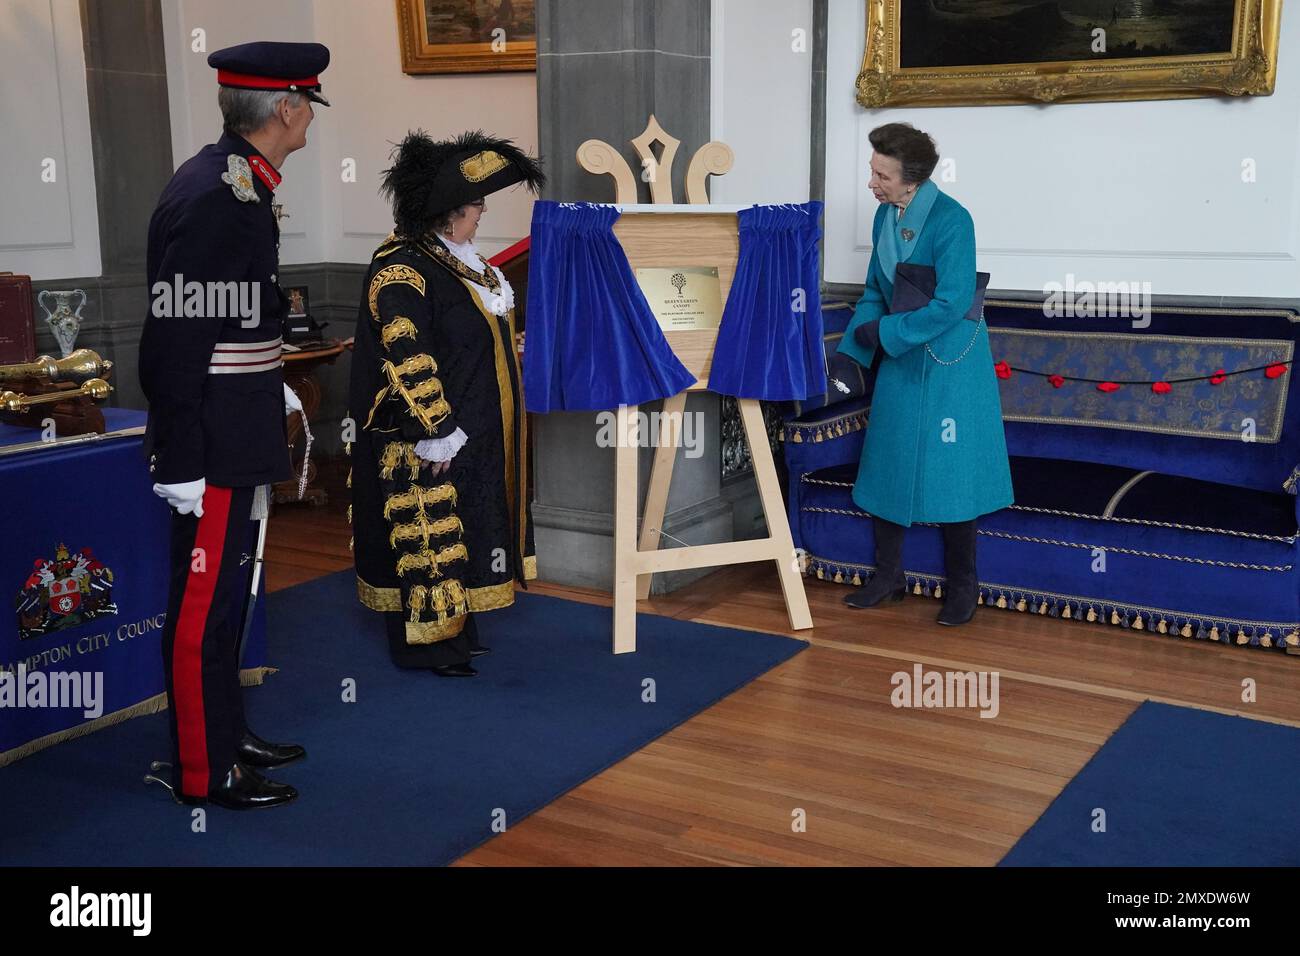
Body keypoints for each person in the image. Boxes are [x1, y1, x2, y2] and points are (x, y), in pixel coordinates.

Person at [138, 41, 330, 809]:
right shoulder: (220, 195)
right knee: (201, 603)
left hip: (238, 421)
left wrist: (273, 390)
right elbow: (178, 337)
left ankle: (227, 731)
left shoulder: (239, 183)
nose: (310, 114)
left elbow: (232, 323)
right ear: (285, 107)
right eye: (308, 102)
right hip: (210, 440)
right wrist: (180, 455)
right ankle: (201, 769)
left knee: (231, 597)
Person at [348, 131, 544, 676]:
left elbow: (467, 334)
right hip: (425, 434)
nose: (482, 212)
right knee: (428, 533)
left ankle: (461, 629)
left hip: (475, 426)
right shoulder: (402, 268)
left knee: (465, 527)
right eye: (477, 203)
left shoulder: (458, 260)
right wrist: (434, 426)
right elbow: (404, 350)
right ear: (448, 212)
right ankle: (428, 644)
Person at [836, 123, 1014, 627]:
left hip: (948, 358)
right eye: (872, 171)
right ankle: (888, 577)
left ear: (911, 180)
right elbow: (875, 289)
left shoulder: (954, 220)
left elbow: (952, 302)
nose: (872, 183)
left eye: (881, 175)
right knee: (889, 460)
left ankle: (964, 587)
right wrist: (852, 353)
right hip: (901, 349)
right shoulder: (882, 219)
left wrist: (886, 335)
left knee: (950, 472)